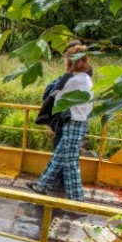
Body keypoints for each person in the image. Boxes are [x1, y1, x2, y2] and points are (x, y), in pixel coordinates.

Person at [26, 44, 93, 201]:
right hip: (80, 122)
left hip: (74, 122)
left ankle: (77, 200)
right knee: (60, 157)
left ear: (70, 62)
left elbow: (54, 97)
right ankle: (42, 186)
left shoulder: (73, 80)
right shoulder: (85, 78)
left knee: (70, 163)